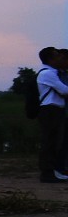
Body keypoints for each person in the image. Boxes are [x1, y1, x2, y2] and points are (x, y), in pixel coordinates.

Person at [37, 47, 68, 182]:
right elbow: (64, 90)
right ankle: (47, 173)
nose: (60, 58)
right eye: (57, 56)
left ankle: (51, 171)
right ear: (50, 59)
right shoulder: (48, 73)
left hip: (54, 110)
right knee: (50, 141)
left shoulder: (51, 73)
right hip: (51, 110)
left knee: (54, 141)